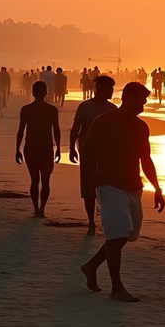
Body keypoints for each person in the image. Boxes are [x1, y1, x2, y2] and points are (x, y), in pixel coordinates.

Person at [79, 82, 165, 302]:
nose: (144, 105)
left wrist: (157, 188)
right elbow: (87, 153)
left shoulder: (141, 126)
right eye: (141, 101)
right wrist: (90, 184)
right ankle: (116, 288)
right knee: (117, 234)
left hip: (134, 186)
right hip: (109, 185)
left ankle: (91, 266)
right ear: (128, 98)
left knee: (127, 235)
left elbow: (146, 159)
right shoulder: (103, 122)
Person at [69, 74, 116, 235]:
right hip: (87, 152)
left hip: (107, 154)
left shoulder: (112, 108)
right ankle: (91, 222)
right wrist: (71, 148)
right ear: (99, 88)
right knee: (88, 188)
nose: (112, 91)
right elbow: (76, 128)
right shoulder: (85, 107)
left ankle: (103, 218)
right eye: (109, 88)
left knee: (106, 187)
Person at [15, 80, 61, 218]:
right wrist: (58, 148)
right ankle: (41, 209)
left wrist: (17, 149)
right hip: (45, 148)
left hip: (31, 147)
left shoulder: (26, 109)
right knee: (45, 181)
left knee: (34, 180)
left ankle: (36, 209)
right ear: (46, 93)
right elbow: (56, 131)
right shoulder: (51, 110)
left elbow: (21, 131)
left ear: (33, 93)